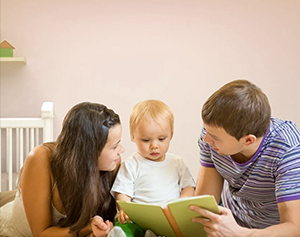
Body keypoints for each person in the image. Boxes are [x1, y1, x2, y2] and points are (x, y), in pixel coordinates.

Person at [191, 79, 300, 237]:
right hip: (231, 221)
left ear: (248, 140)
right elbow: (205, 202)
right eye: (207, 131)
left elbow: (294, 228)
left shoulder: (287, 151)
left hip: (269, 231)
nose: (206, 139)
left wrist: (241, 234)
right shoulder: (212, 135)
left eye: (215, 137)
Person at [0, 102, 125, 237]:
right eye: (114, 146)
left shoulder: (113, 165)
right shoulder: (41, 159)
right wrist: (87, 228)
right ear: (89, 151)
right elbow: (40, 234)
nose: (122, 150)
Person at [111, 99, 195, 237]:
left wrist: (181, 202)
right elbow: (123, 193)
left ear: (171, 135)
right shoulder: (131, 164)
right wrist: (124, 208)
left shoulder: (176, 163)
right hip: (137, 218)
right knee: (124, 225)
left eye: (161, 139)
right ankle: (121, 234)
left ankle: (151, 234)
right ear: (133, 136)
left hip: (168, 219)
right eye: (146, 140)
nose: (154, 146)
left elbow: (188, 187)